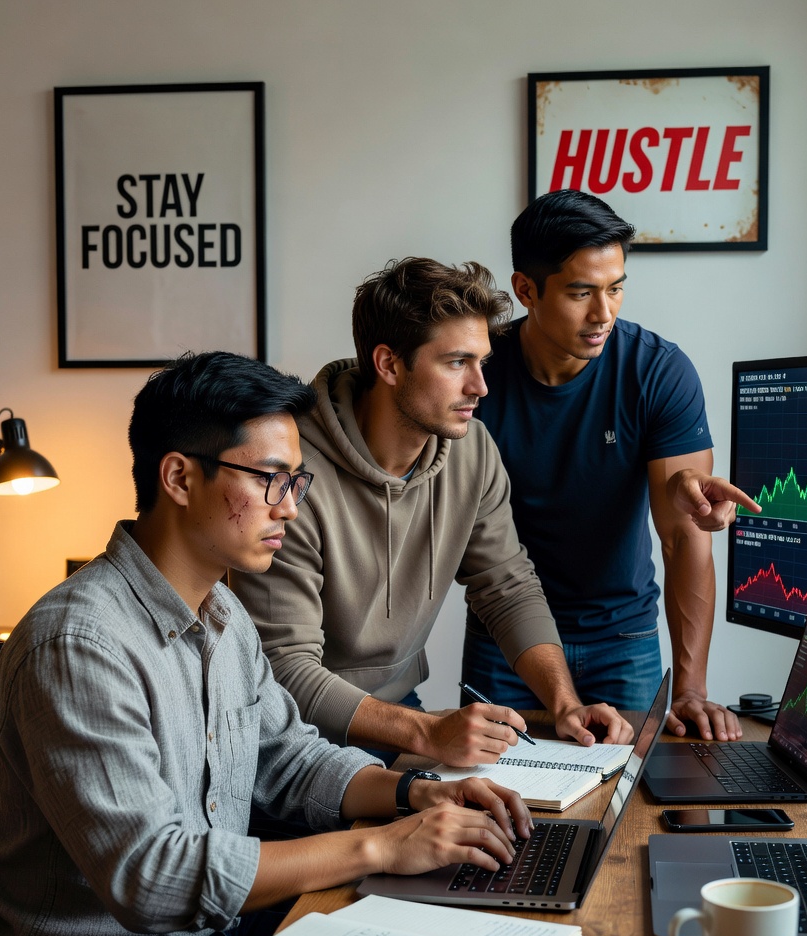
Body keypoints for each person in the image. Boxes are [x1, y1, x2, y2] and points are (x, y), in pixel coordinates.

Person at [0, 351, 532, 936]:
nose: (290, 509)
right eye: (269, 480)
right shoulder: (78, 645)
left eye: (297, 482)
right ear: (179, 477)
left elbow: (288, 757)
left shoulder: (225, 615)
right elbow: (154, 874)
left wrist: (415, 792)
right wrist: (381, 843)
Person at [231, 258, 632, 769]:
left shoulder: (472, 450)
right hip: (296, 733)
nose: (480, 387)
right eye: (456, 363)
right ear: (390, 364)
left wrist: (564, 703)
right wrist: (426, 733)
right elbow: (284, 668)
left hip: (398, 709)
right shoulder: (290, 472)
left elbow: (506, 584)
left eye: (482, 363)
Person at [462, 190, 760, 741]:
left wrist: (692, 688)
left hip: (623, 644)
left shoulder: (658, 372)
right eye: (581, 293)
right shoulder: (476, 374)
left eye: (616, 289)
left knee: (635, 813)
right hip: (503, 639)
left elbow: (684, 538)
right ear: (526, 289)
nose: (604, 314)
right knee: (495, 812)